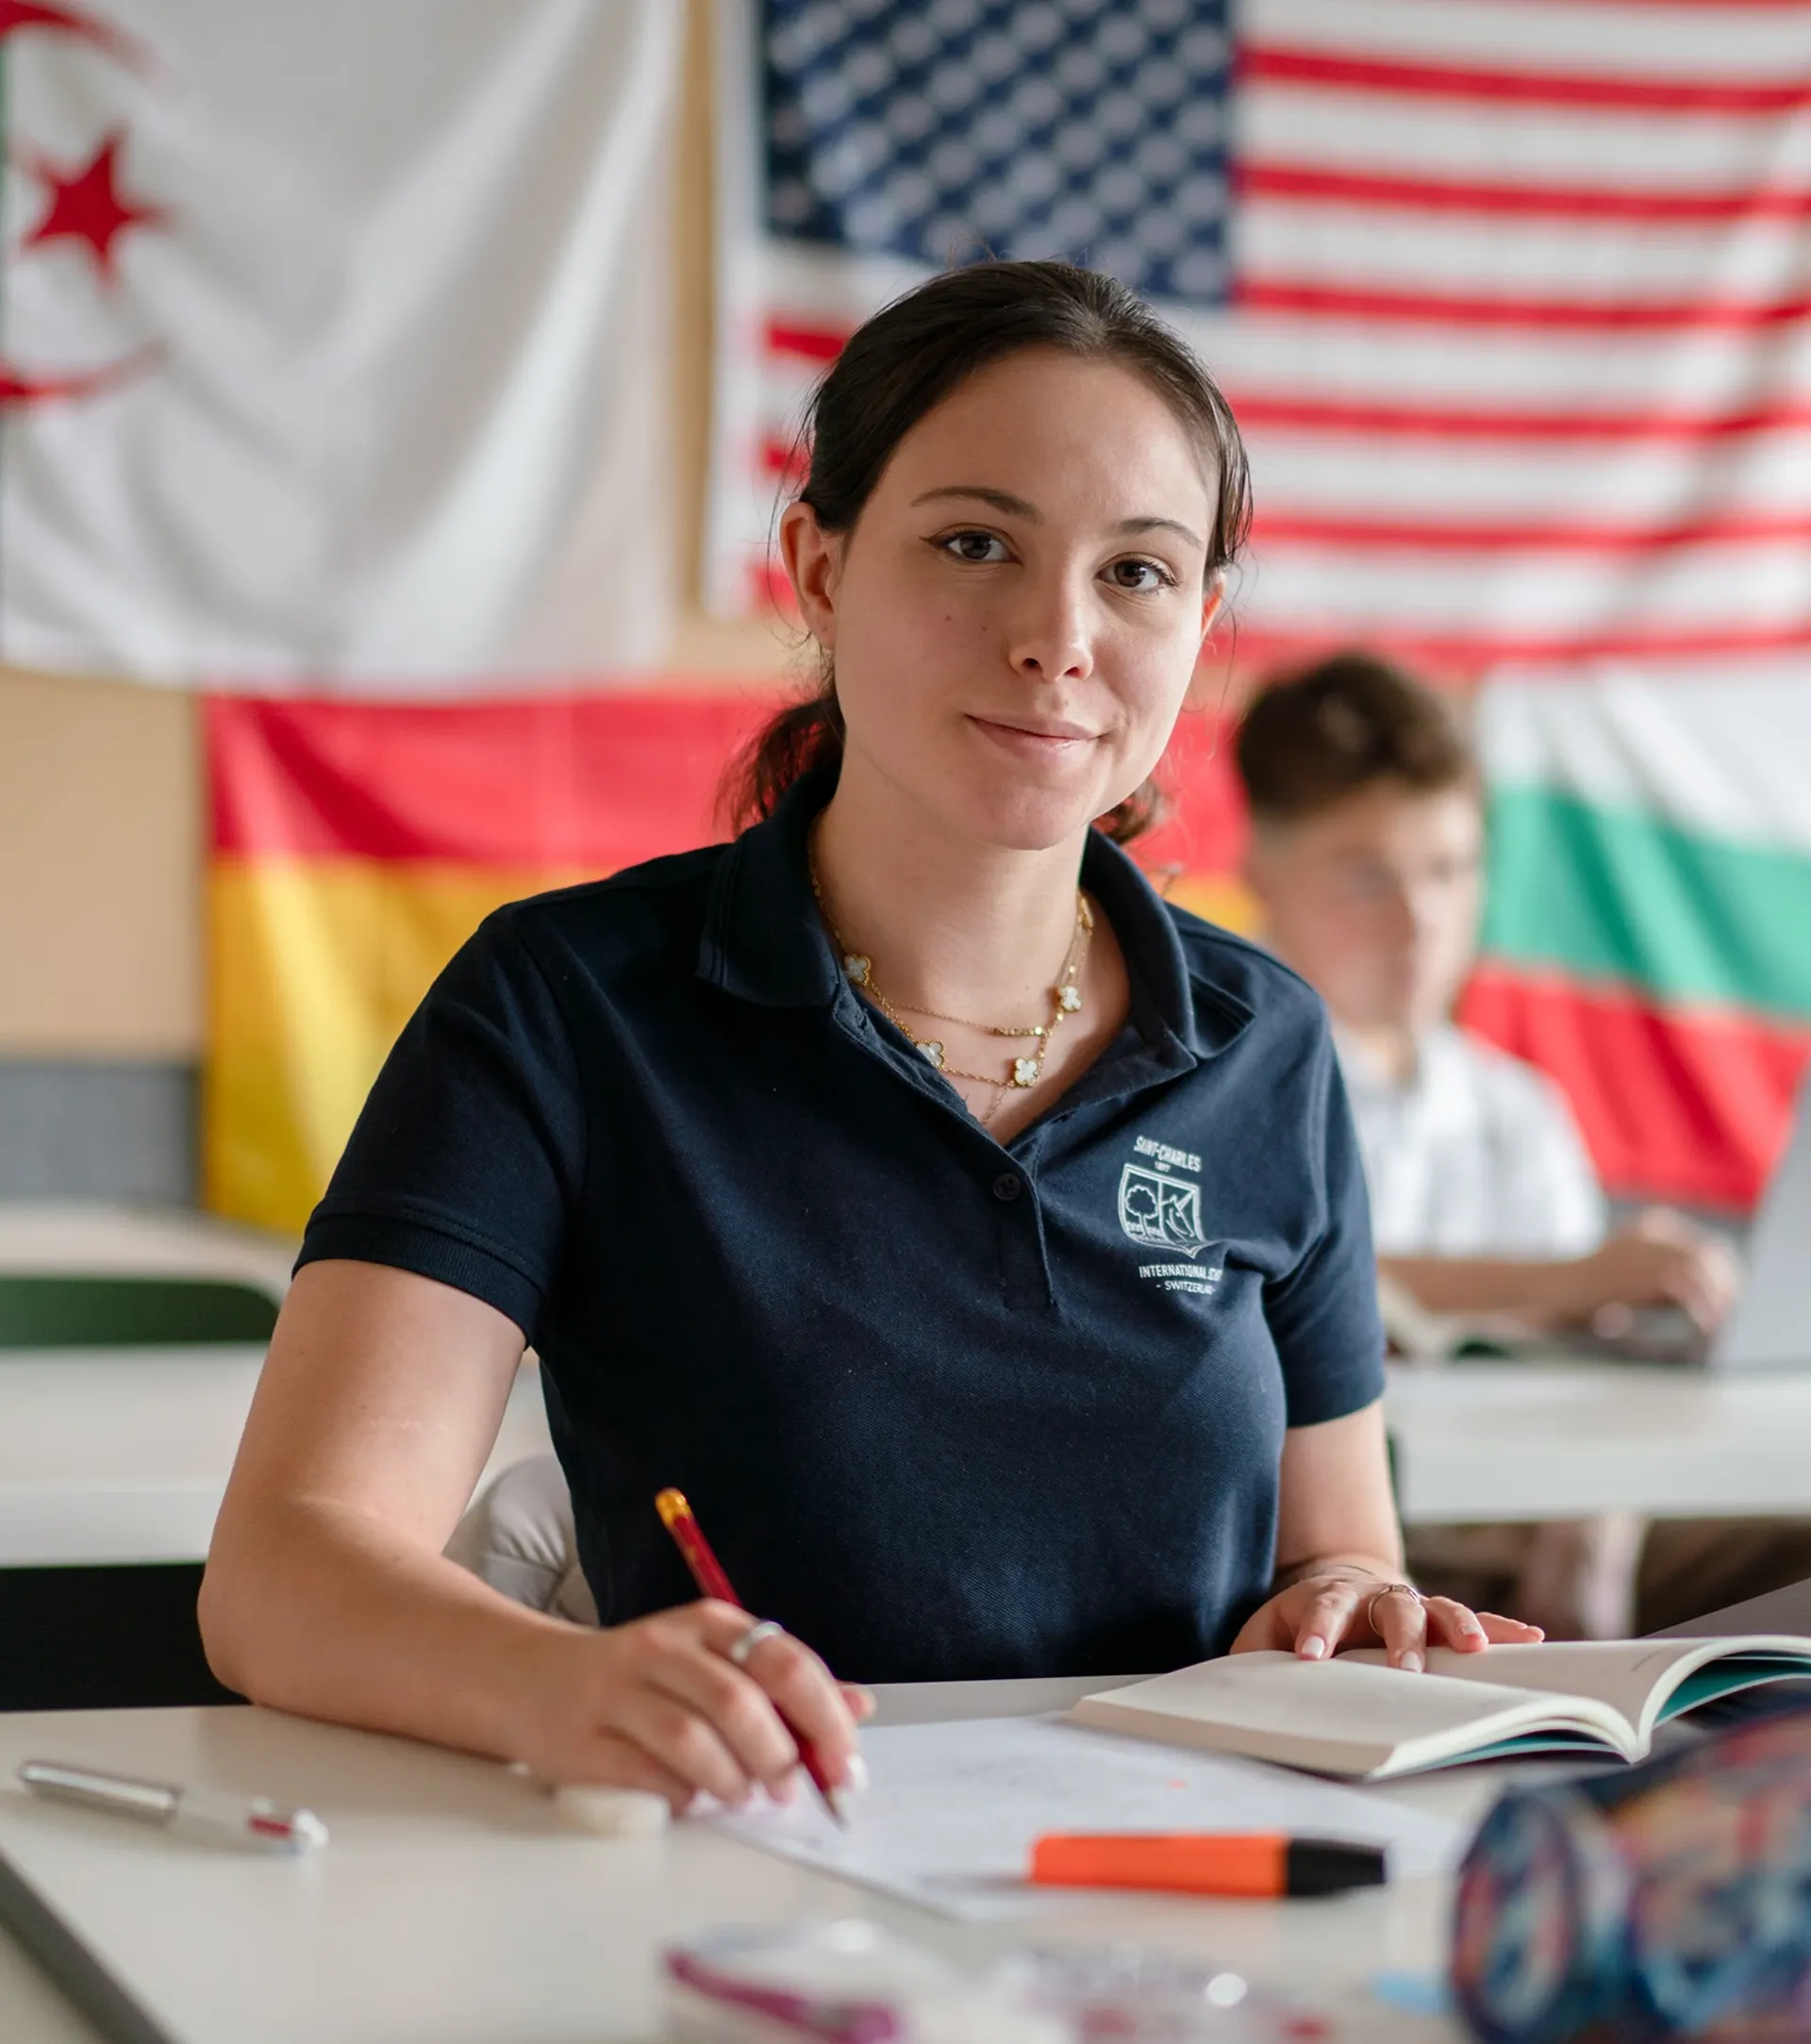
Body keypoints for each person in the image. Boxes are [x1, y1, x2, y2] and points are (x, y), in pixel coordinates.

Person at [200, 263, 1537, 1817]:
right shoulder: (568, 1000)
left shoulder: (1268, 1043)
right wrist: (561, 1683)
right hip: (753, 1881)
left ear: (1202, 622)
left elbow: (1337, 1548)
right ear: (819, 570)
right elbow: (283, 1573)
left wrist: (1353, 1602)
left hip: (1194, 1875)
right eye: (976, 544)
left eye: (1137, 573)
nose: (1058, 638)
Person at [1233, 655, 1794, 1637]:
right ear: (1261, 874)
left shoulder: (1515, 1105)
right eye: (1367, 877)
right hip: (1345, 1526)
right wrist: (1567, 1279)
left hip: (1551, 1506)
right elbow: (1296, 1292)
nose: (1421, 920)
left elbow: (1580, 1357)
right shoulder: (1226, 1078)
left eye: (1451, 870)